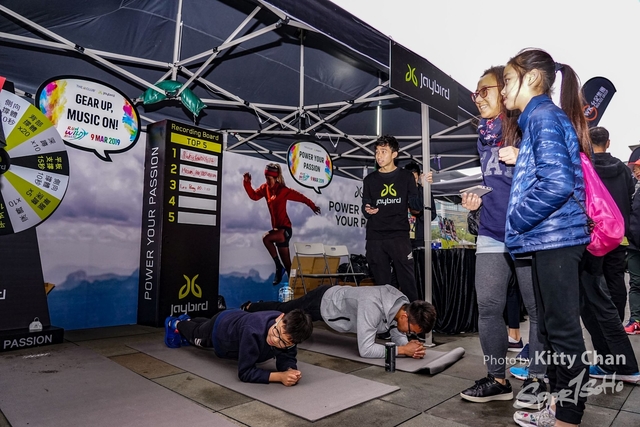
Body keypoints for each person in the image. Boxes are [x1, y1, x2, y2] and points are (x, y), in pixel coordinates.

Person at [501, 49, 592, 427]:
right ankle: (557, 406)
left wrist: (517, 218)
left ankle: (568, 416)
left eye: (508, 80)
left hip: (556, 238)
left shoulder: (542, 116)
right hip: (549, 238)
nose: (503, 89)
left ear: (533, 79)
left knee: (563, 332)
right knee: (552, 330)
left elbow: (557, 183)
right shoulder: (537, 118)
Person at [458, 66, 546, 410]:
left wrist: (524, 156)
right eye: (476, 93)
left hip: (527, 230)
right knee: (488, 307)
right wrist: (477, 200)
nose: (479, 98)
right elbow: (494, 181)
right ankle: (497, 380)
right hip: (492, 230)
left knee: (537, 310)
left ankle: (538, 379)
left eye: (486, 91)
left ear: (505, 89)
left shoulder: (527, 125)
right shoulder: (482, 135)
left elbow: (557, 170)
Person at [241, 284, 436, 359]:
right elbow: (366, 350)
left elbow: (396, 330)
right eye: (412, 331)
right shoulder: (372, 306)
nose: (409, 333)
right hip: (323, 303)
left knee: (285, 309)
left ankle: (253, 307)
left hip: (336, 298)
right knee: (284, 310)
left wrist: (411, 347)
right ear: (405, 316)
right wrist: (402, 350)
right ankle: (250, 308)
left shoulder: (401, 304)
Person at [164, 309, 313, 386]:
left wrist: (289, 370)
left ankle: (189, 320)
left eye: (283, 342)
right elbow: (245, 373)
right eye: (276, 332)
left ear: (293, 343)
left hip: (236, 318)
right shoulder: (253, 331)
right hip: (221, 329)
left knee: (204, 326)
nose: (275, 340)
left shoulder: (288, 332)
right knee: (197, 336)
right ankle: (175, 323)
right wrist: (279, 377)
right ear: (280, 318)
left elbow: (287, 355)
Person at [362, 135, 421, 302]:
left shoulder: (406, 177)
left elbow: (416, 209)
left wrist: (420, 188)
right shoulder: (369, 180)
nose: (379, 156)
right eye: (377, 152)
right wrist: (368, 209)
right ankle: (386, 316)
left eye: (383, 151)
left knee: (407, 281)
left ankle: (413, 315)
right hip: (375, 236)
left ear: (394, 154)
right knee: (382, 285)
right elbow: (365, 207)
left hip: (399, 235)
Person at [243, 163, 321, 285]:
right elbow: (254, 196)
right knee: (289, 267)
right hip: (277, 229)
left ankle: (278, 267)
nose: (267, 181)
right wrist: (247, 183)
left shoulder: (283, 190)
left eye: (269, 179)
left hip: (285, 229)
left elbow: (301, 197)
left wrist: (313, 206)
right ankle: (295, 291)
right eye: (266, 178)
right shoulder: (265, 188)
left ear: (275, 178)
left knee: (266, 238)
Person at [588, 126, 634, 322]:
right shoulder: (622, 169)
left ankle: (599, 322)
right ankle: (617, 321)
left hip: (593, 233)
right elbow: (630, 197)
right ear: (608, 143)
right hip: (618, 233)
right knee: (616, 278)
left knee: (592, 278)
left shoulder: (586, 167)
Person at [625, 150, 640, 334]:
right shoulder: (634, 189)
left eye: (638, 168)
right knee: (636, 283)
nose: (636, 171)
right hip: (634, 247)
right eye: (635, 168)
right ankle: (636, 320)